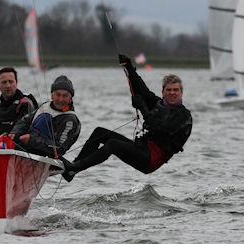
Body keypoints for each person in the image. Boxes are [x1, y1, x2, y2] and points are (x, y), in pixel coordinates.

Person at [61, 55, 191, 181]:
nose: (172, 93)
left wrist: (142, 108)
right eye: (169, 90)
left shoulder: (183, 116)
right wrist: (129, 68)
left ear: (181, 93)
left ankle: (75, 167)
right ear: (163, 92)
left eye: (176, 90)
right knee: (99, 132)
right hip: (141, 148)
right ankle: (72, 170)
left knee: (113, 144)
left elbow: (159, 129)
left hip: (150, 159)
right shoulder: (159, 104)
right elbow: (143, 91)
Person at [9, 75, 80, 158]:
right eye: (58, 95)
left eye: (65, 96)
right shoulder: (45, 106)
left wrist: (31, 140)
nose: (60, 99)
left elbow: (59, 148)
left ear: (70, 98)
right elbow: (25, 121)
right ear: (52, 96)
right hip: (25, 150)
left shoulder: (70, 120)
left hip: (44, 158)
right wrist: (15, 133)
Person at [0, 67, 38, 135]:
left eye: (11, 82)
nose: (8, 85)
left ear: (16, 83)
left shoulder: (26, 103)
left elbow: (27, 128)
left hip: (21, 144)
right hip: (1, 143)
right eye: (4, 82)